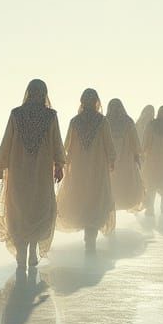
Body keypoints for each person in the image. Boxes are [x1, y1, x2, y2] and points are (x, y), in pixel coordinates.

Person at [0, 79, 66, 270]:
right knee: (37, 209)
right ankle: (31, 249)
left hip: (19, 173)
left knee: (20, 211)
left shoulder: (17, 114)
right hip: (41, 174)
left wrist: (0, 166)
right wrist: (58, 165)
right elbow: (57, 143)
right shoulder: (50, 116)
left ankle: (23, 252)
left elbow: (6, 142)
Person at [56, 88, 116, 252]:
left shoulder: (75, 122)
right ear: (96, 102)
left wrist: (63, 165)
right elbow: (109, 146)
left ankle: (89, 238)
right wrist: (112, 162)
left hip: (79, 169)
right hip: (97, 169)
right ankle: (91, 238)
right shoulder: (102, 122)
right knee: (95, 200)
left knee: (83, 198)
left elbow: (66, 146)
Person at [106, 98, 145, 212]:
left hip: (111, 160)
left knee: (113, 184)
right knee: (121, 183)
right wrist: (137, 157)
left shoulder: (105, 121)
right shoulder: (127, 121)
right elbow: (135, 142)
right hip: (124, 159)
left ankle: (112, 210)